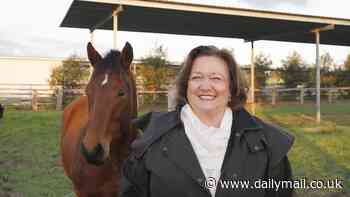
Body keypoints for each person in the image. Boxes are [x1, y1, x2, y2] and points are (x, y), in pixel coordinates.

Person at [120, 45, 294, 197]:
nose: (205, 86)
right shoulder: (152, 139)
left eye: (216, 78)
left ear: (231, 88)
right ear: (186, 86)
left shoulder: (267, 143)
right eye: (196, 77)